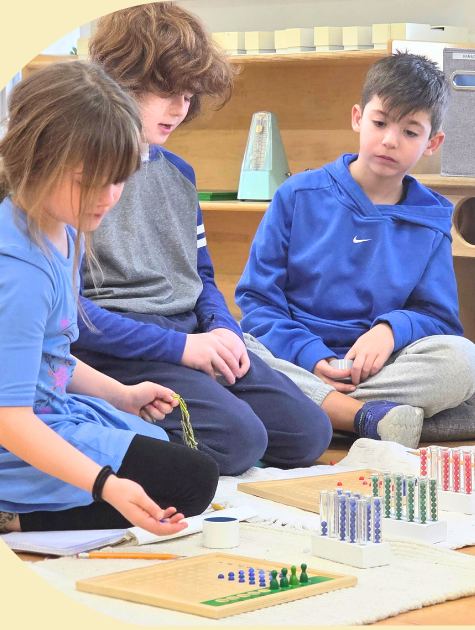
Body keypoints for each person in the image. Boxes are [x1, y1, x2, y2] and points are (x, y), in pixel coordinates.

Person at [0, 61, 218, 535]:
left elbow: (50, 356)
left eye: (119, 179)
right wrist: (105, 485)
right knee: (192, 482)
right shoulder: (17, 267)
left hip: (43, 412)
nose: (109, 197)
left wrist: (122, 395)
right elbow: (10, 424)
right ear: (39, 161)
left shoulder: (59, 225)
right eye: (90, 182)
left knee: (167, 450)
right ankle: (3, 512)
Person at [72, 2, 332, 476]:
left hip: (190, 332)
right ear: (118, 80)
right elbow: (66, 313)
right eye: (166, 92)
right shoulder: (73, 176)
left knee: (309, 434)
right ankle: (108, 419)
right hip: (117, 345)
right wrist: (179, 350)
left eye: (189, 95)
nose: (180, 109)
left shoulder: (180, 175)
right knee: (239, 440)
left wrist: (222, 330)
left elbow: (201, 276)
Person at [237, 52, 475, 449]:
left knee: (463, 361)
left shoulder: (432, 218)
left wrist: (390, 330)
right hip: (293, 356)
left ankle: (318, 406)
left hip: (377, 368)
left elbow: (439, 318)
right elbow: (258, 301)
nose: (390, 141)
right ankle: (363, 416)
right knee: (236, 350)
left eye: (410, 132)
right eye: (380, 123)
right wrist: (308, 353)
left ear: (432, 143)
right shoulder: (297, 194)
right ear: (357, 118)